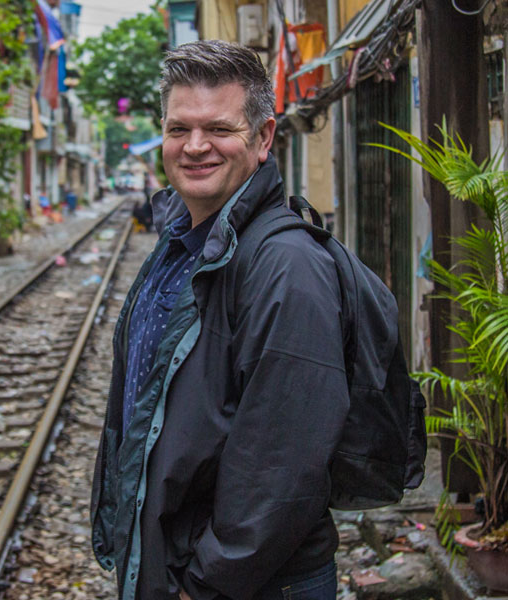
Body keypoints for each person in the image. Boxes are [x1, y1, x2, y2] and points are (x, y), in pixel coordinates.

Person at [90, 40, 348, 600]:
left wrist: (203, 585)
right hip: (179, 565)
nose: (195, 146)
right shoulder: (180, 244)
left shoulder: (286, 266)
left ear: (263, 139)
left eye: (220, 129)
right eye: (179, 128)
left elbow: (284, 465)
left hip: (244, 585)